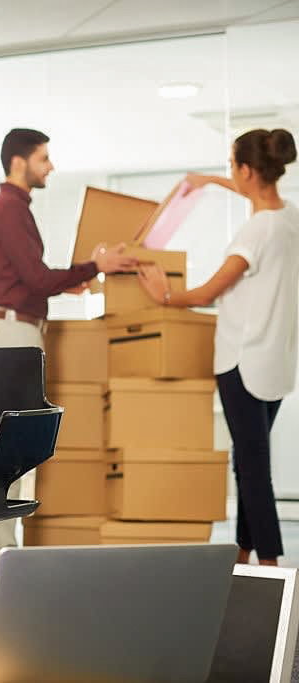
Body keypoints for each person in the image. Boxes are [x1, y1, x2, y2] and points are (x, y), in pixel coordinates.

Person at [0, 128, 137, 590]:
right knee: (10, 450)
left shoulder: (12, 209)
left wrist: (69, 280)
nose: (51, 166)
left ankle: (2, 556)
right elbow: (36, 277)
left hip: (15, 331)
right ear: (20, 162)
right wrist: (93, 266)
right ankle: (3, 557)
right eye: (44, 158)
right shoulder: (8, 209)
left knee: (11, 449)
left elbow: (33, 278)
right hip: (12, 335)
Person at [138, 128, 299, 567]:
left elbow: (209, 292)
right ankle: (245, 553)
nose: (231, 173)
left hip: (241, 364)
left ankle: (270, 565)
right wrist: (212, 181)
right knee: (249, 460)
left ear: (248, 170)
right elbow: (257, 194)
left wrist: (165, 295)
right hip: (277, 365)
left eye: (232, 166)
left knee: (251, 467)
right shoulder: (289, 217)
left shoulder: (254, 233)